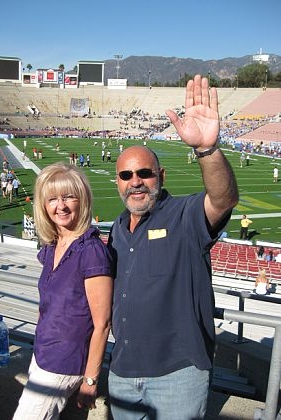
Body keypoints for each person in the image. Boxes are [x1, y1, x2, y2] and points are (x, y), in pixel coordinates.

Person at [107, 74, 239, 419]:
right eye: (126, 176)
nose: (135, 181)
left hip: (177, 375)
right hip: (121, 371)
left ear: (161, 175)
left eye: (144, 173)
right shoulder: (117, 230)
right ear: (118, 183)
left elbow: (223, 200)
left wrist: (206, 149)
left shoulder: (184, 216)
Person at [13, 162, 113, 419]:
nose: (61, 206)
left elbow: (102, 324)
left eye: (69, 196)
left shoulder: (91, 251)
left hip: (65, 362)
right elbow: (47, 306)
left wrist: (90, 381)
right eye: (53, 199)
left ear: (82, 200)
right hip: (43, 354)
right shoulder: (51, 245)